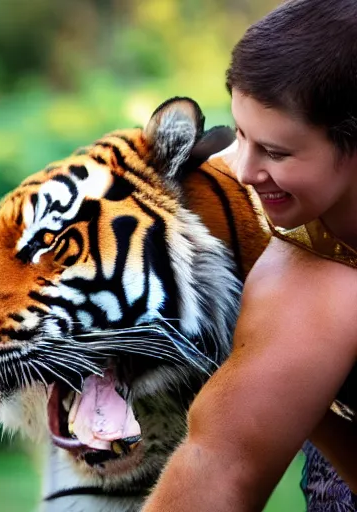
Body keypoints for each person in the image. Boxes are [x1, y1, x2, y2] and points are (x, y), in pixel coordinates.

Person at [142, 0, 357, 510]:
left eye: (276, 152)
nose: (243, 170)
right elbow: (219, 464)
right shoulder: (307, 267)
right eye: (241, 134)